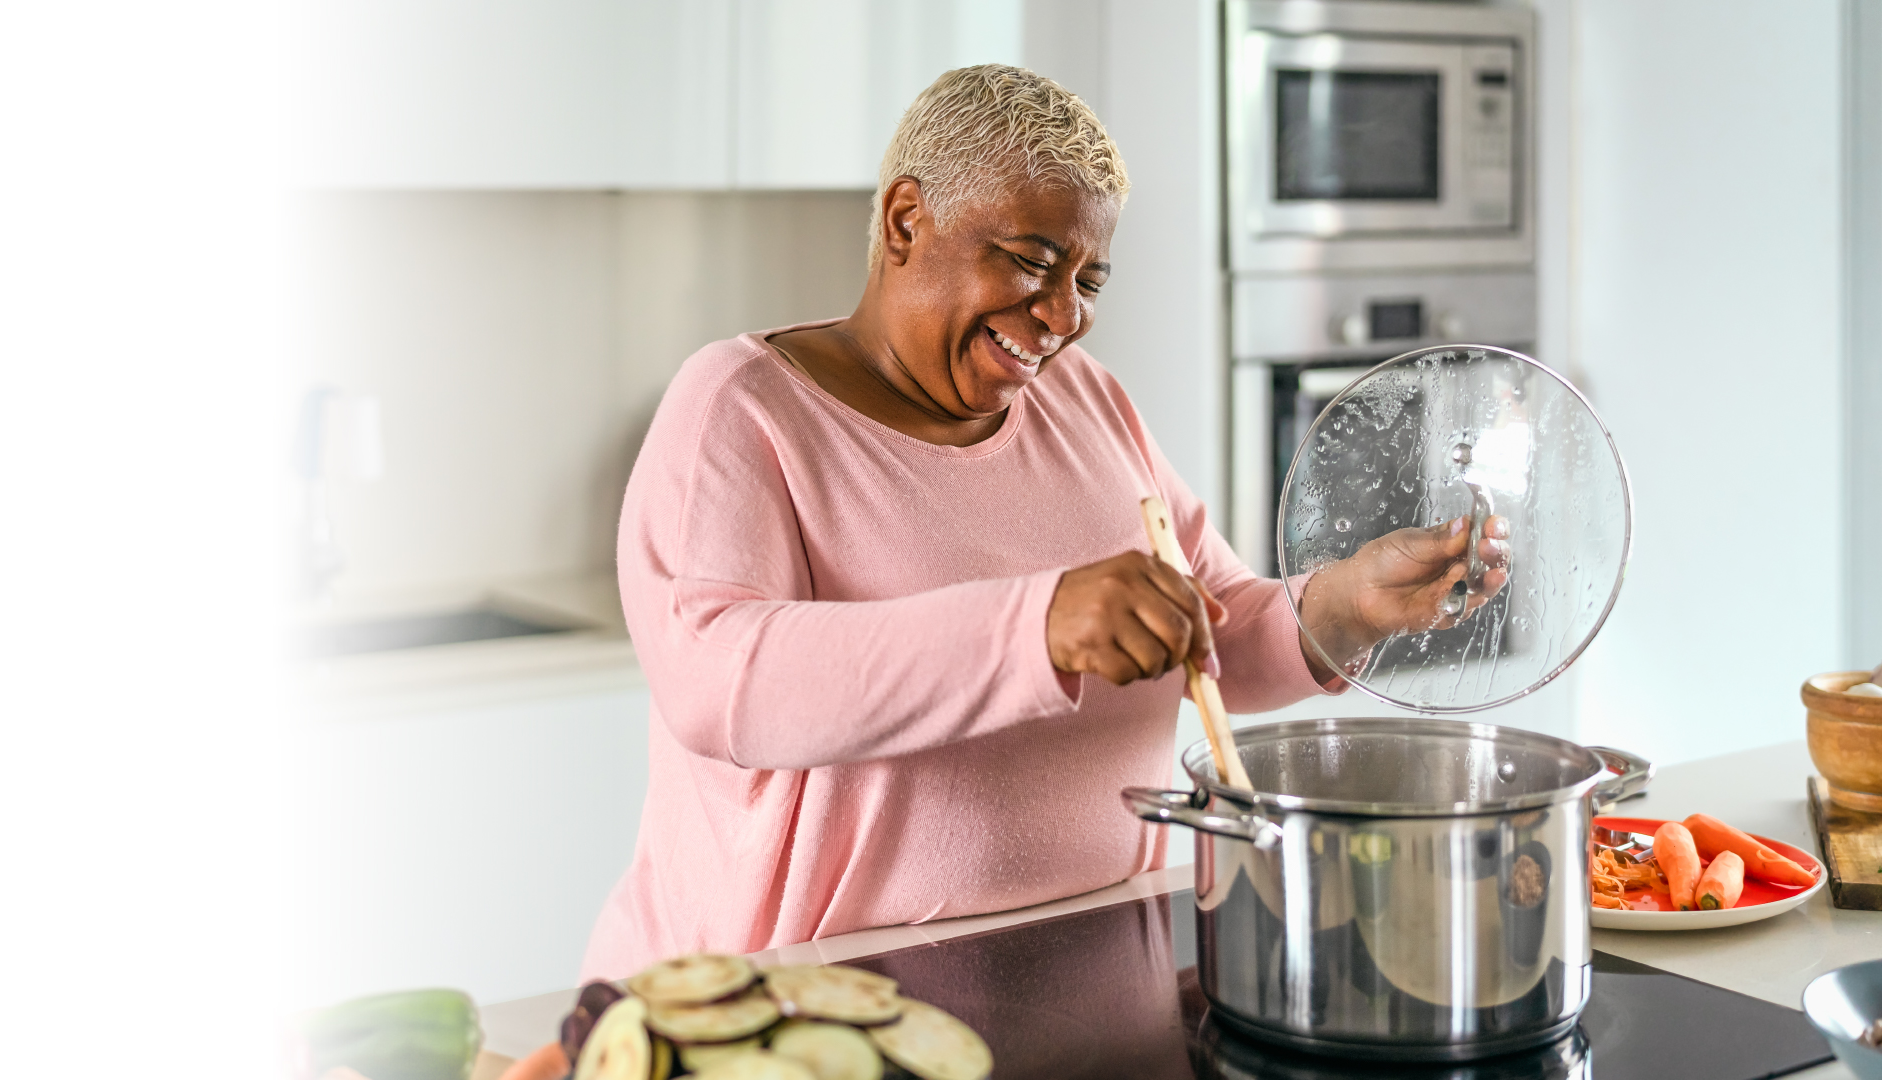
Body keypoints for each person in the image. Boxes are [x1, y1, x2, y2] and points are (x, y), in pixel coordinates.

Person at [582, 65, 1507, 978]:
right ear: (907, 222)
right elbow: (721, 682)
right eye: (1030, 260)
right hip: (805, 1003)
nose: (1064, 315)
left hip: (1097, 966)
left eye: (1090, 279)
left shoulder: (1087, 401)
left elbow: (1208, 627)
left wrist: (1341, 606)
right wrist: (1036, 626)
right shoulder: (745, 408)